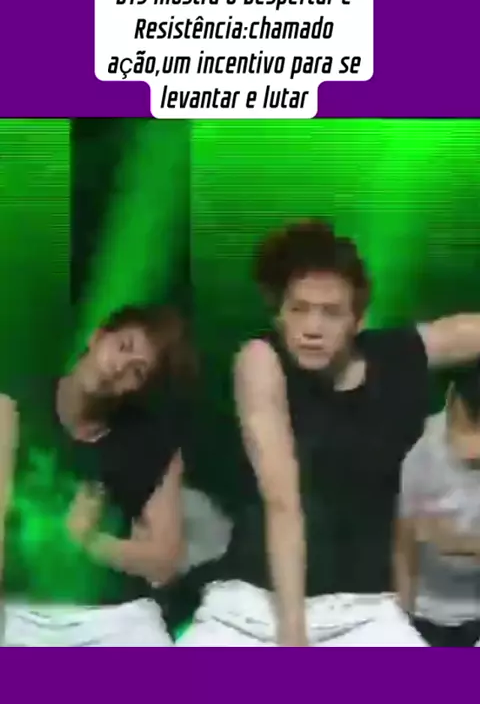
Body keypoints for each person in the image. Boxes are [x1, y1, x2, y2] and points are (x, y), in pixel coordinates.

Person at [178, 220, 480, 647]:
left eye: (331, 312)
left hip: (364, 609)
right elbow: (283, 502)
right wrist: (293, 637)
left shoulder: (394, 355)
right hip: (253, 605)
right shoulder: (261, 360)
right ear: (278, 313)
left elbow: (463, 333)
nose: (312, 327)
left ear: (358, 319)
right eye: (298, 309)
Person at [2, 304, 195, 647]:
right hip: (20, 610)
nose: (118, 368)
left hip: (111, 617)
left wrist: (93, 542)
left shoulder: (150, 445)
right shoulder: (15, 406)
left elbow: (165, 562)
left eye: (137, 372)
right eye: (123, 347)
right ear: (97, 337)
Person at [395, 366, 480, 646]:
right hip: (424, 611)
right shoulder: (419, 447)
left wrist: (460, 544)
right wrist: (403, 620)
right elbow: (403, 548)